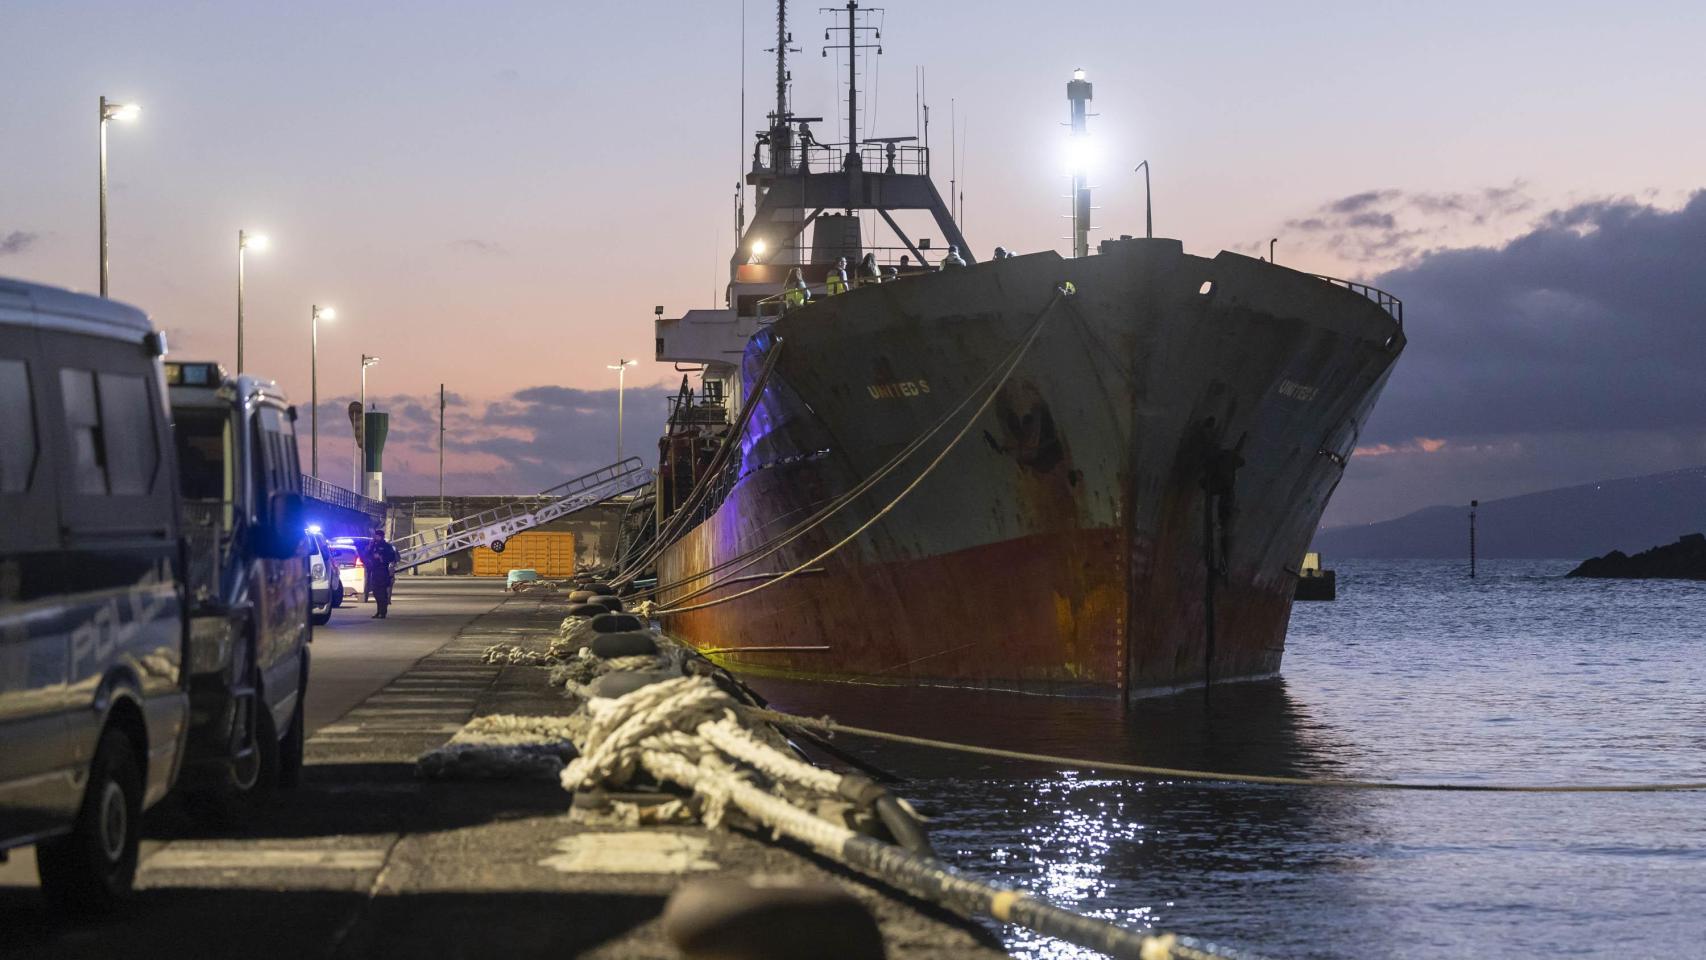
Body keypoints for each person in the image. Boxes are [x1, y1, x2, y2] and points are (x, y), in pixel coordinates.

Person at [362, 528, 399, 619]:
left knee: (382, 593)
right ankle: (379, 611)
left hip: (383, 571)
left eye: (377, 536)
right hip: (374, 571)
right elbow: (365, 555)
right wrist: (370, 546)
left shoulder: (387, 546)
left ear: (381, 537)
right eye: (375, 536)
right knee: (375, 592)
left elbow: (392, 558)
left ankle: (383, 612)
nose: (375, 538)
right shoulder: (373, 545)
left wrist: (380, 557)